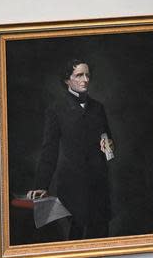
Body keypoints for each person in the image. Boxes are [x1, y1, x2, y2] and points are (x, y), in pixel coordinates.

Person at [28, 59, 114, 240]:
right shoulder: (56, 109)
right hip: (72, 187)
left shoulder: (98, 108)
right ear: (67, 80)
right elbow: (49, 150)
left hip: (98, 184)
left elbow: (107, 139)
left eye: (87, 75)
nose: (85, 80)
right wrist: (42, 185)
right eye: (79, 75)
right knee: (76, 236)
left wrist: (109, 146)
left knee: (101, 235)